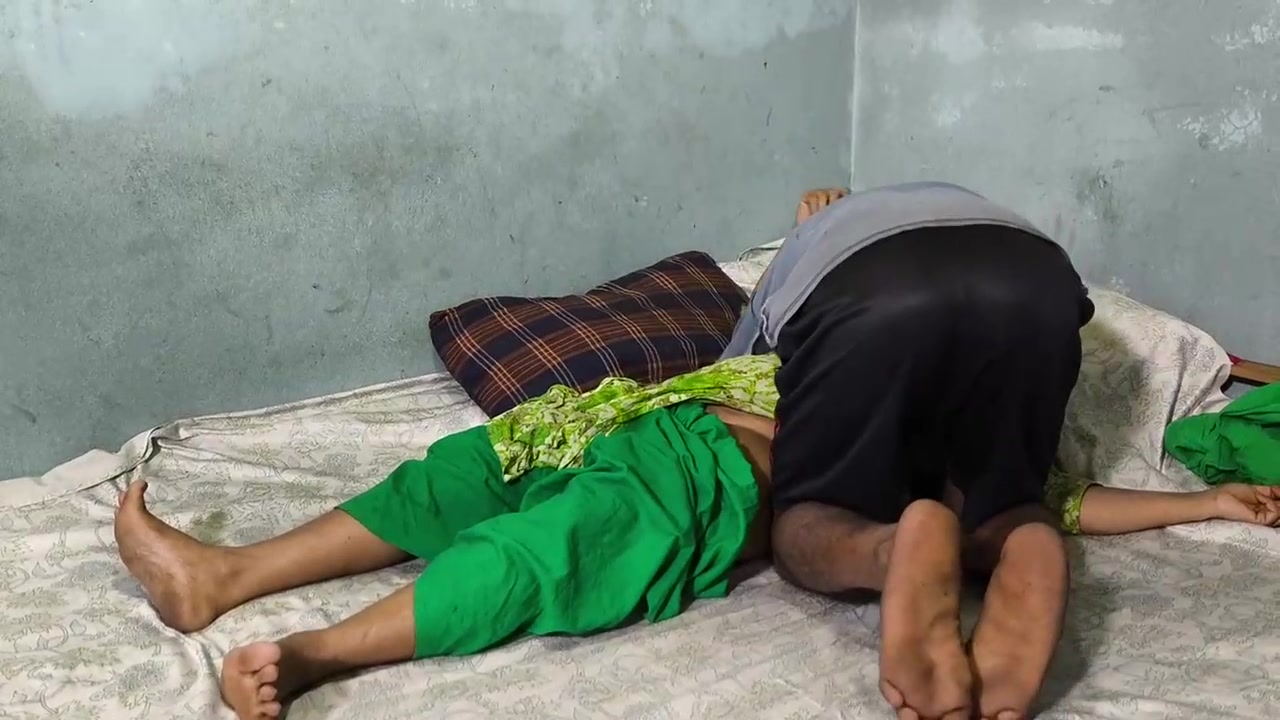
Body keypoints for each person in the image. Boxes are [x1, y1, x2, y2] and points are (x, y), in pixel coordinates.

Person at [113, 351, 1277, 720]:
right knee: (445, 481)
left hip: (707, 475)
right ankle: (224, 575)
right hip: (599, 421)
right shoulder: (824, 331)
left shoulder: (961, 436)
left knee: (547, 553)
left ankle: (311, 655)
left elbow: (1060, 503)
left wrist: (1200, 504)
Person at [722, 185, 1280, 720]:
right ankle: (1021, 537)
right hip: (1034, 277)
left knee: (808, 522)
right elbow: (1065, 494)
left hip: (867, 284)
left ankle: (892, 552)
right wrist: (1206, 502)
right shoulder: (904, 214)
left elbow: (728, 373)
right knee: (1005, 507)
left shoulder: (788, 268)